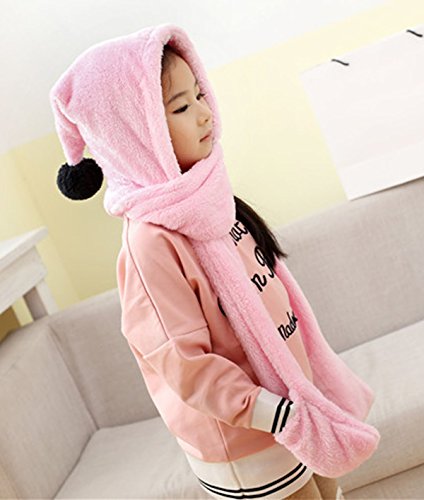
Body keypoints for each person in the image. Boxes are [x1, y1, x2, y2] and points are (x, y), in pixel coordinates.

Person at [50, 23, 379, 500]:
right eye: (181, 107)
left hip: (293, 408)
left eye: (200, 95)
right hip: (249, 438)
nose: (206, 113)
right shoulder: (150, 244)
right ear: (134, 133)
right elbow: (186, 365)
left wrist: (298, 404)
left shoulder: (207, 197)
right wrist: (277, 414)